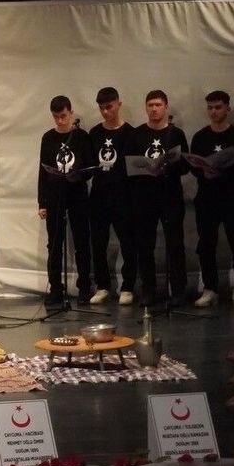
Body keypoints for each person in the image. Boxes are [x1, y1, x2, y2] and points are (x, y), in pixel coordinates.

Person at [189, 90, 234, 309]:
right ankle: (210, 289)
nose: (213, 111)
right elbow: (194, 167)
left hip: (232, 198)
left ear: (228, 108)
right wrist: (204, 172)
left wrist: (222, 172)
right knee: (206, 244)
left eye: (218, 107)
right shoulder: (200, 137)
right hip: (207, 199)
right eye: (210, 107)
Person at [127, 90, 190, 307]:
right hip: (144, 197)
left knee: (175, 244)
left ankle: (178, 290)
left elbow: (185, 166)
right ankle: (148, 290)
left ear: (166, 107)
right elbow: (128, 166)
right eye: (150, 105)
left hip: (170, 196)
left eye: (158, 105)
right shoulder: (136, 134)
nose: (154, 109)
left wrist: (168, 167)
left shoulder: (175, 134)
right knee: (145, 245)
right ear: (146, 108)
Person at [36, 95, 95, 306]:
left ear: (71, 113)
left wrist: (78, 175)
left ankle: (84, 287)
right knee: (54, 243)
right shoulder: (48, 138)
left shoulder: (81, 136)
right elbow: (43, 172)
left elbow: (91, 167)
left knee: (81, 241)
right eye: (56, 117)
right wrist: (42, 202)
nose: (60, 121)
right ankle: (56, 288)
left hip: (77, 193)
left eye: (63, 116)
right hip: (55, 195)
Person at [88, 87, 138, 306]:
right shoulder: (94, 133)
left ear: (119, 104)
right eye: (101, 108)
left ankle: (128, 287)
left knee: (128, 241)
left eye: (109, 107)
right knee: (98, 243)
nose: (105, 112)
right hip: (99, 195)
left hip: (123, 195)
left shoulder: (131, 133)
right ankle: (102, 286)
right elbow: (89, 164)